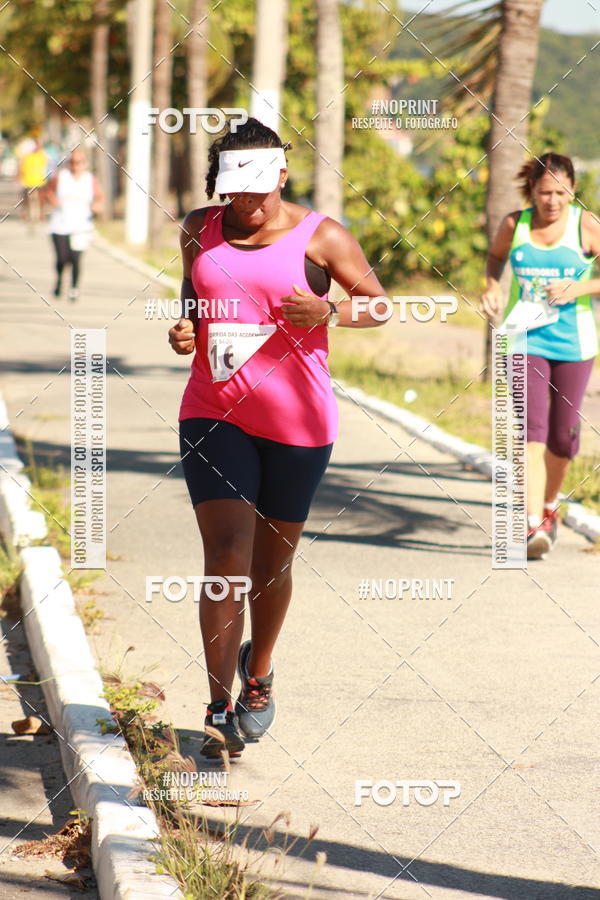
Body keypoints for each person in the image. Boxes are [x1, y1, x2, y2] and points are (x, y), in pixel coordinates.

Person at [168, 117, 386, 758]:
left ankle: (257, 671)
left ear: (283, 176)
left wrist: (333, 311)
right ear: (222, 185)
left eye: (264, 189)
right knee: (226, 555)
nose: (252, 204)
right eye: (238, 191)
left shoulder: (323, 237)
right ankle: (216, 704)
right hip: (213, 411)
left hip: (298, 424)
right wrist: (185, 328)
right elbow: (193, 296)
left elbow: (381, 303)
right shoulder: (197, 229)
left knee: (271, 565)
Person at [481, 152, 600, 560]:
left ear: (573, 190)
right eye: (545, 192)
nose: (552, 200)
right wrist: (491, 285)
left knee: (564, 438)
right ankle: (532, 522)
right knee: (532, 431)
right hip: (525, 339)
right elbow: (495, 258)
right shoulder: (515, 224)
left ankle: (550, 505)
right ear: (531, 191)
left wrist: (578, 289)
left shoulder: (585, 225)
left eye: (561, 191)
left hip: (575, 344)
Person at [45, 148, 104, 301]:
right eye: (72, 162)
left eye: (79, 162)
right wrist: (54, 201)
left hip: (81, 225)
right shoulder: (61, 177)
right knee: (62, 259)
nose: (75, 165)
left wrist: (97, 206)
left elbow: (100, 197)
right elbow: (48, 192)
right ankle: (59, 281)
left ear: (84, 164)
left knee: (76, 258)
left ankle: (74, 287)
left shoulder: (90, 179)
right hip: (60, 224)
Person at [18, 138, 48, 227]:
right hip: (29, 181)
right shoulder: (27, 157)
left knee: (42, 197)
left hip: (40, 181)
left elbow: (47, 167)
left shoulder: (42, 155)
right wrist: (20, 178)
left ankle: (42, 214)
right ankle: (24, 212)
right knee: (24, 196)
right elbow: (21, 167)